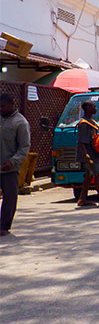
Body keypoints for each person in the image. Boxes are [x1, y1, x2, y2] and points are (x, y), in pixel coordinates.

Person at [0, 93, 30, 236]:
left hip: (9, 167)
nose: (1, 109)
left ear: (12, 103)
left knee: (9, 197)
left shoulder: (20, 123)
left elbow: (24, 147)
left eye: (3, 106)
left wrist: (13, 162)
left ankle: (4, 225)